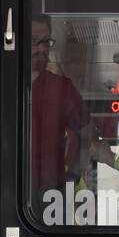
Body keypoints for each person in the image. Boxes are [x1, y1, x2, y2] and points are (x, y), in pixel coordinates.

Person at [30, 14, 91, 203]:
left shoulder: (62, 89)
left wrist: (70, 180)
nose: (41, 48)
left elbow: (87, 137)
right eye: (34, 41)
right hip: (2, 191)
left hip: (50, 199)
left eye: (46, 41)